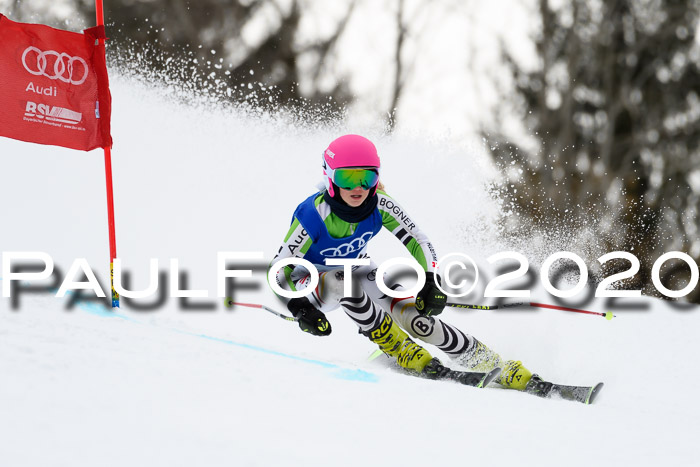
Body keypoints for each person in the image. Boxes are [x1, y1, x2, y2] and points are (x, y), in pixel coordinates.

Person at [269, 134, 532, 388]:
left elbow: (418, 239)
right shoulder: (313, 213)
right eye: (347, 178)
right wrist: (299, 306)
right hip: (312, 283)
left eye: (367, 177)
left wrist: (431, 280)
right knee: (342, 281)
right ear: (329, 177)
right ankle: (398, 347)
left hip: (358, 270)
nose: (358, 187)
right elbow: (278, 270)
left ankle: (489, 362)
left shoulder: (380, 204)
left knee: (417, 319)